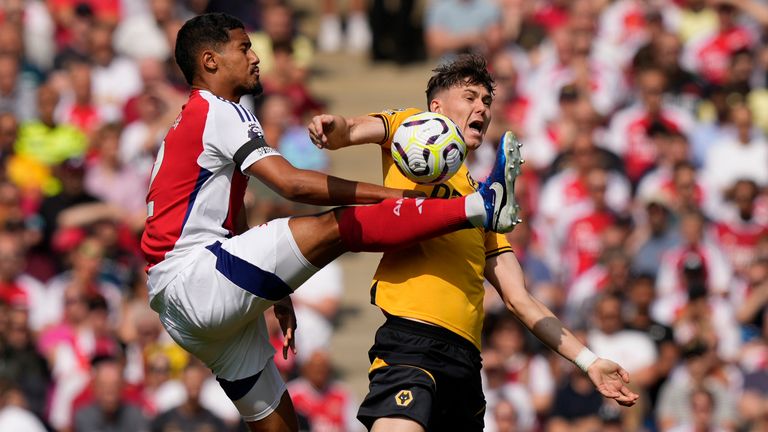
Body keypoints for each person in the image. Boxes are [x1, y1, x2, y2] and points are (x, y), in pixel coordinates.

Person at [142, 13, 523, 432]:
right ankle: (480, 206)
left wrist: (273, 294)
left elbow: (229, 216)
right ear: (211, 62)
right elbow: (292, 184)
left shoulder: (200, 117)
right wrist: (394, 197)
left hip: (188, 304)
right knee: (340, 226)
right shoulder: (218, 110)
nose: (255, 58)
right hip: (196, 277)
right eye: (245, 47)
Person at [308, 53, 639, 432]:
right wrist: (329, 127)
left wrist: (589, 361)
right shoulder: (412, 129)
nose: (481, 107)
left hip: (466, 363)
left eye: (486, 101)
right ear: (436, 107)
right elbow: (350, 129)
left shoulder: (484, 205)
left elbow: (520, 300)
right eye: (470, 97)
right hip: (411, 343)